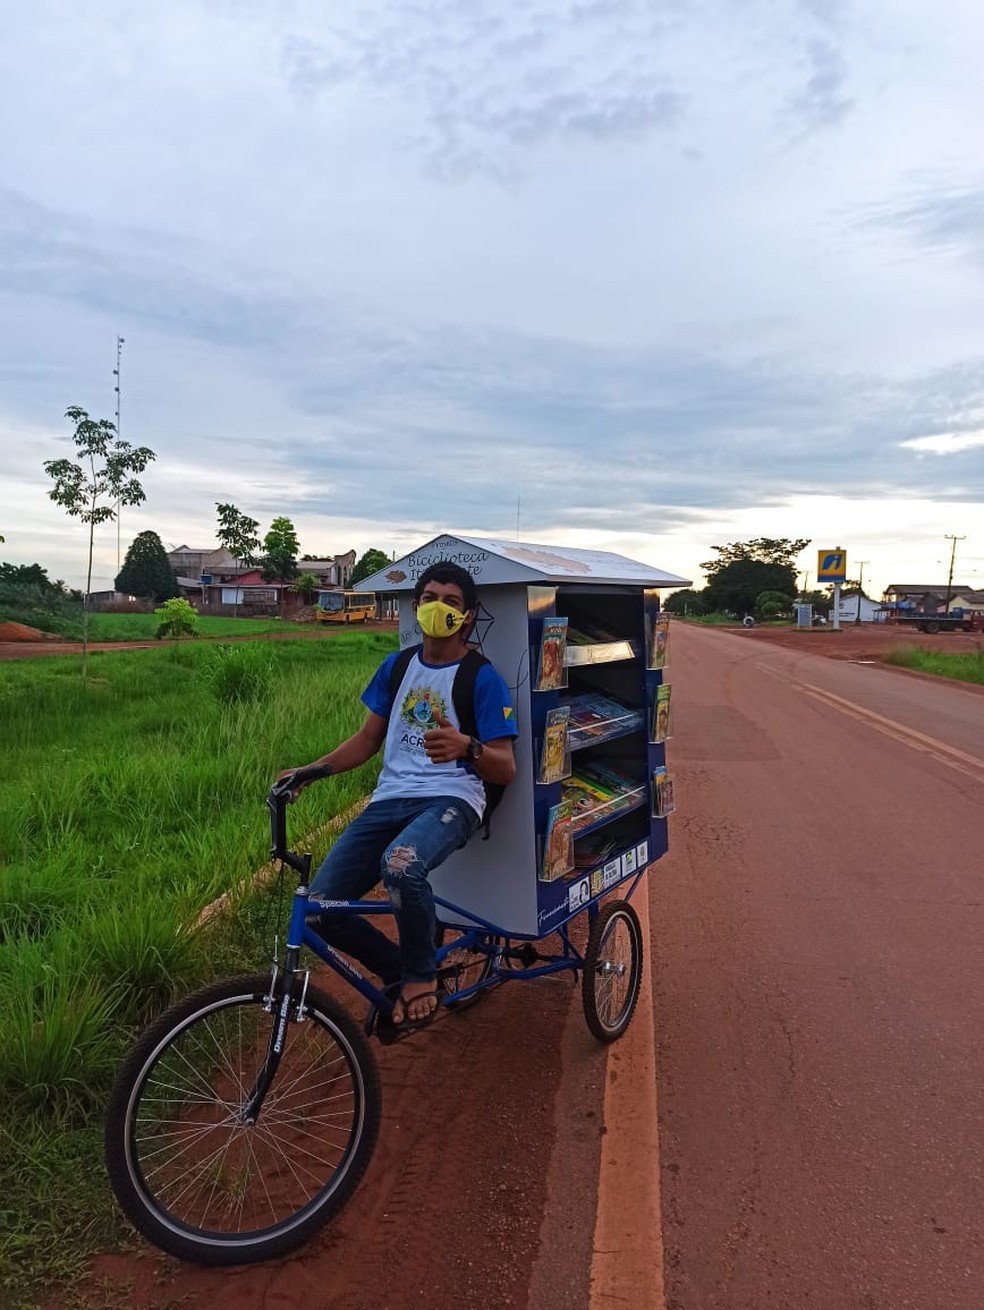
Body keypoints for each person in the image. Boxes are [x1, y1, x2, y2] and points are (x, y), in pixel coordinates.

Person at [278, 561, 518, 1032]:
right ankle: (397, 971)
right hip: (390, 799)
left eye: (451, 602)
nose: (438, 608)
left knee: (401, 865)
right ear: (415, 605)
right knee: (323, 907)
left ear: (468, 617)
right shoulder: (399, 666)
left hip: (452, 798)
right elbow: (366, 741)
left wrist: (466, 747)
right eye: (430, 598)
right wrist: (313, 770)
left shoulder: (480, 677)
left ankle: (421, 979)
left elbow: (505, 767)